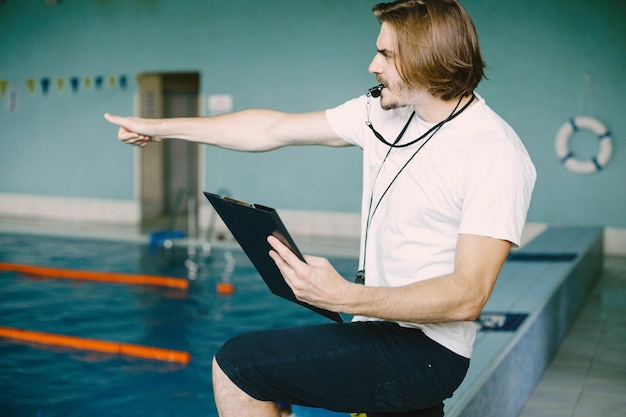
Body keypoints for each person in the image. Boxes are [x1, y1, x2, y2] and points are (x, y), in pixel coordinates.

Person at [104, 1, 536, 416]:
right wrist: (161, 129)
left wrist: (345, 295)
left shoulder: (492, 152)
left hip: (426, 352)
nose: (373, 64)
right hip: (377, 327)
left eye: (386, 53)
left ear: (428, 58)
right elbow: (272, 128)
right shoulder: (383, 114)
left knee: (238, 367)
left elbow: (468, 295)